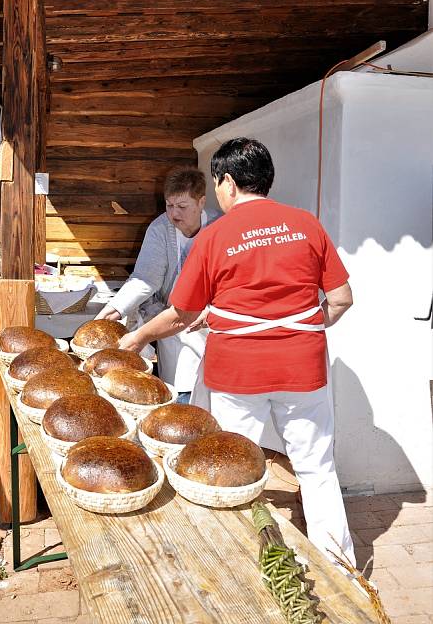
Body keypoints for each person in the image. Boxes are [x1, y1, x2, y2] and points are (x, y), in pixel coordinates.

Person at [120, 138, 355, 565]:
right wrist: (296, 327)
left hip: (238, 376)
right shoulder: (307, 224)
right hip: (304, 369)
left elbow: (180, 314)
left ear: (227, 182)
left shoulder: (217, 235)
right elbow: (340, 299)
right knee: (317, 468)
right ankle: (340, 565)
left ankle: (248, 565)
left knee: (235, 469)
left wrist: (135, 339)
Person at [96, 166, 220, 403]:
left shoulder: (219, 226)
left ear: (201, 201)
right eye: (169, 205)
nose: (174, 214)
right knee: (180, 389)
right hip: (172, 319)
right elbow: (145, 279)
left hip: (211, 321)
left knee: (213, 396)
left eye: (182, 207)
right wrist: (115, 308)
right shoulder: (160, 228)